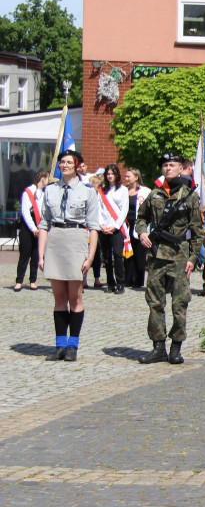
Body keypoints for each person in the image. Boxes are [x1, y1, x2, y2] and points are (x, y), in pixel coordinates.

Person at [135, 152, 204, 365]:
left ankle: (176, 347)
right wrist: (142, 233)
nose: (168, 168)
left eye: (172, 165)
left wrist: (193, 258)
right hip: (156, 256)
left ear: (181, 168)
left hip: (180, 256)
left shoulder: (190, 196)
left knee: (179, 304)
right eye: (165, 165)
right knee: (155, 302)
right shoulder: (155, 194)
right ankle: (158, 348)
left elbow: (198, 231)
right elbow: (141, 218)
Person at [36, 150, 100, 362]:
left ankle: (73, 345)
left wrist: (90, 257)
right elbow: (44, 224)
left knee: (75, 297)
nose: (64, 165)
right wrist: (41, 255)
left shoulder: (87, 191)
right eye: (61, 162)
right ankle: (59, 345)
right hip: (55, 241)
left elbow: (93, 227)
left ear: (77, 166)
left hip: (76, 240)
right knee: (59, 298)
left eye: (68, 162)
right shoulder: (50, 190)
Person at [97, 164, 130, 294]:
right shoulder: (102, 190)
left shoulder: (122, 190)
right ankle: (110, 282)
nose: (110, 176)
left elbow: (124, 209)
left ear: (116, 175)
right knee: (106, 256)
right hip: (104, 227)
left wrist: (115, 226)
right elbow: (98, 208)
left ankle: (120, 282)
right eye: (108, 174)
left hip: (117, 228)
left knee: (117, 255)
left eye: (112, 174)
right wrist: (101, 225)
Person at [15, 171, 48, 291]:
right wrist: (33, 228)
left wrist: (42, 227)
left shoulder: (44, 194)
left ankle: (33, 280)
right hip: (27, 226)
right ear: (42, 178)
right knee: (24, 254)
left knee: (35, 254)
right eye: (47, 179)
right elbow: (25, 212)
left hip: (40, 225)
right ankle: (19, 281)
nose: (48, 181)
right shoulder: (28, 192)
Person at [123, 168, 151, 289]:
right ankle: (127, 279)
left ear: (136, 177)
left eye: (129, 176)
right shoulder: (123, 191)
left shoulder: (145, 191)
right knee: (127, 253)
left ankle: (138, 280)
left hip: (139, 224)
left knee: (139, 253)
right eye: (126, 176)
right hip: (125, 224)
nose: (126, 179)